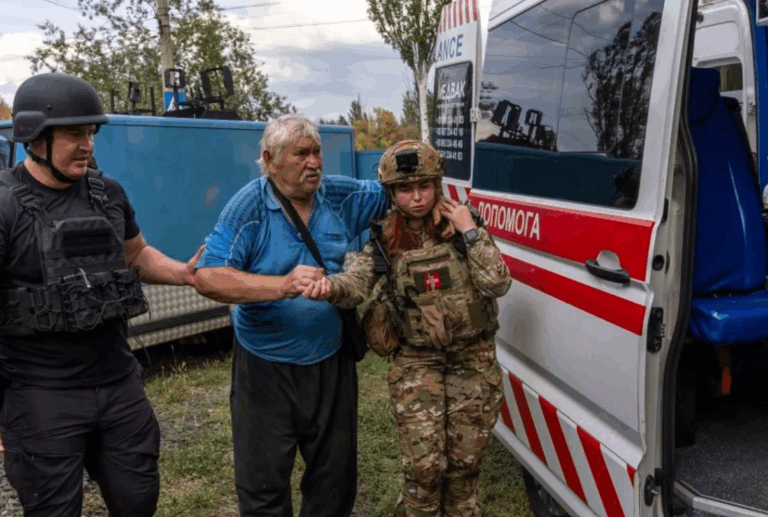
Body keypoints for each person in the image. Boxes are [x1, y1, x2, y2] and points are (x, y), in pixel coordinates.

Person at [0, 72, 201, 517]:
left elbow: (138, 254)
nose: (88, 144)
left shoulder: (107, 192)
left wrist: (184, 273)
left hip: (117, 384)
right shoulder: (5, 205)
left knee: (138, 500)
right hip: (40, 394)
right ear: (35, 136)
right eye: (74, 133)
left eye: (91, 132)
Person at [193, 113, 390, 517]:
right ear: (270, 158)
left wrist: (443, 205)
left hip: (331, 362)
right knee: (263, 486)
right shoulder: (249, 205)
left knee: (333, 482)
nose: (314, 163)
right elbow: (209, 277)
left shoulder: (339, 195)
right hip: (265, 368)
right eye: (301, 154)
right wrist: (281, 285)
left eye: (317, 152)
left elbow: (397, 191)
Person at [302, 140, 512, 517]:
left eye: (424, 186)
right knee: (423, 469)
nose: (416, 197)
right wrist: (330, 287)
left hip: (472, 359)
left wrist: (470, 231)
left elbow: (497, 283)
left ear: (437, 184)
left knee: (465, 468)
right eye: (404, 189)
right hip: (418, 361)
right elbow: (358, 283)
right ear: (391, 192)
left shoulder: (464, 226)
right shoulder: (384, 238)